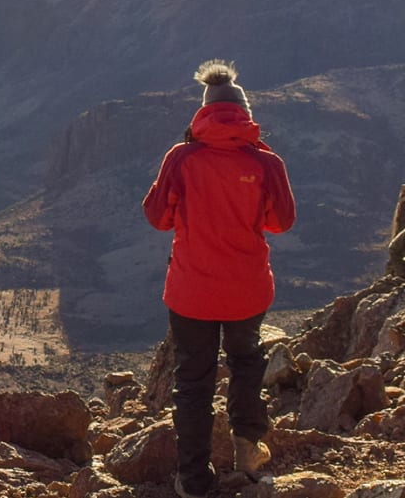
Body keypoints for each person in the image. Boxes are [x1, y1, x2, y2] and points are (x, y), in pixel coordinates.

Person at [143, 60, 297, 498]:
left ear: (204, 111)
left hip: (191, 292)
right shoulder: (266, 161)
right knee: (247, 364)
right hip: (247, 289)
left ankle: (193, 479)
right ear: (244, 113)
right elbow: (282, 222)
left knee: (193, 381)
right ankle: (248, 451)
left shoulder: (182, 157)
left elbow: (157, 217)